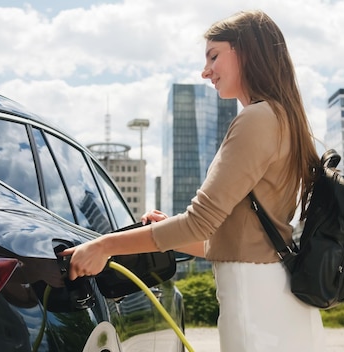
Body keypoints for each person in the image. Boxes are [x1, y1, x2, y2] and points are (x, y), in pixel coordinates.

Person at [61, 9, 325, 351]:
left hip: (254, 302)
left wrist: (103, 246)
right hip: (278, 293)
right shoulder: (284, 118)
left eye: (214, 56)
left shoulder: (256, 119)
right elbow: (234, 243)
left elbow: (201, 223)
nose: (205, 71)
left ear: (246, 50)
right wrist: (169, 233)